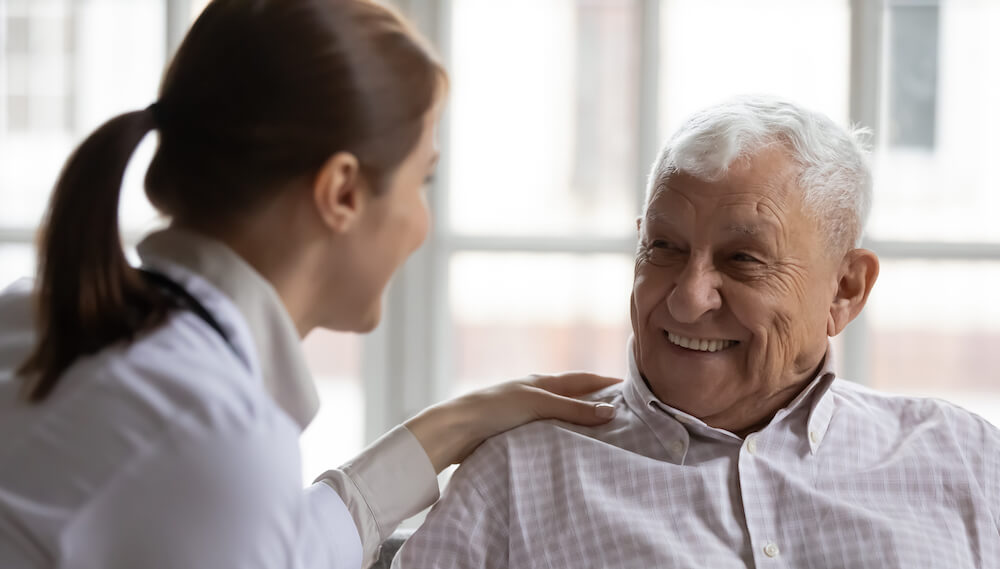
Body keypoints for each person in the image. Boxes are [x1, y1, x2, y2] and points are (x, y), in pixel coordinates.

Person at [0, 1, 621, 568]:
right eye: (421, 182)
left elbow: (283, 548)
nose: (422, 224)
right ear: (342, 193)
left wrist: (457, 423)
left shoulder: (37, 315)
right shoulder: (209, 435)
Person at [392, 95, 1000, 568]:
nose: (686, 300)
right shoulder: (518, 474)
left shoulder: (967, 460)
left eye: (743, 260)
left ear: (845, 289)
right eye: (663, 248)